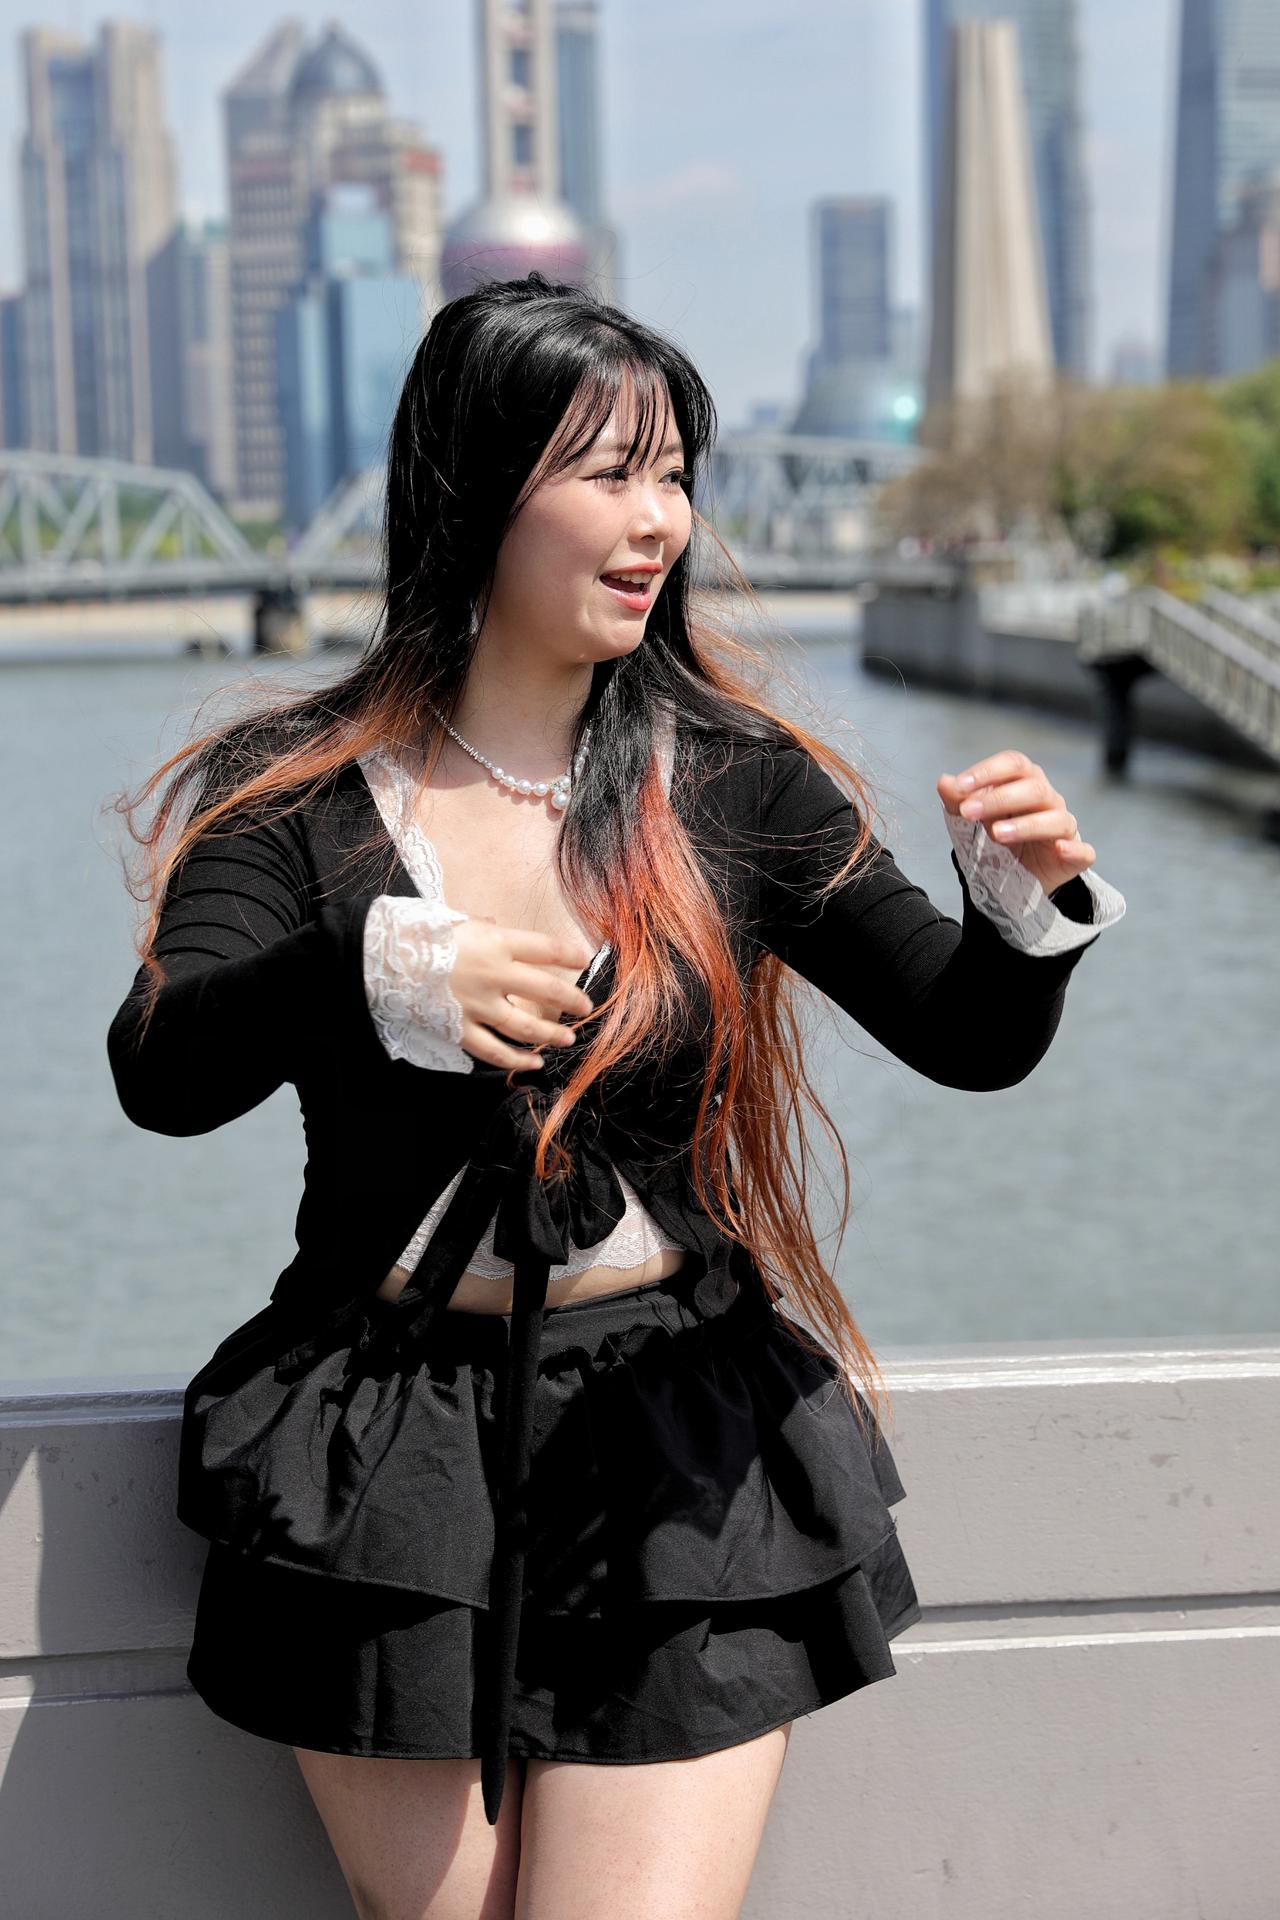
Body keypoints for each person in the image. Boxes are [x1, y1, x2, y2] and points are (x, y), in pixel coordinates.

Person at [106, 271, 1125, 1920]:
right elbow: (161, 1067)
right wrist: (367, 964)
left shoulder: (732, 778)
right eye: (608, 473)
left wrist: (1022, 917)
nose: (660, 521)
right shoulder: (293, 796)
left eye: (674, 474)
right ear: (475, 490)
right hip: (386, 1443)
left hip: (674, 1436)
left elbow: (966, 1035)